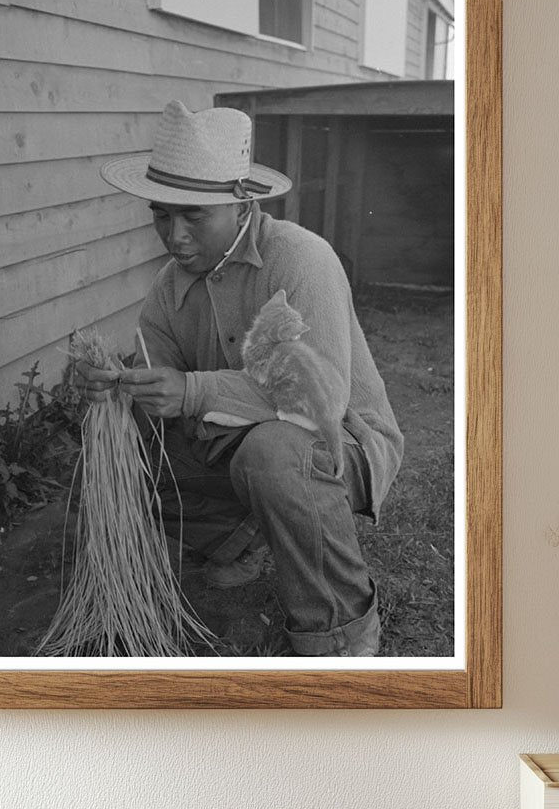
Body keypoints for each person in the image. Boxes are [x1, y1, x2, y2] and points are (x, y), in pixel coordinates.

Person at [75, 100, 403, 657]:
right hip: (229, 442)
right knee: (116, 430)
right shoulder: (167, 288)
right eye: (161, 214)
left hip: (335, 444)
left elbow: (318, 399)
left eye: (194, 217)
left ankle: (342, 628)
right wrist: (120, 385)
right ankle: (237, 541)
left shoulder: (302, 259)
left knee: (274, 453)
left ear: (243, 205)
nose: (174, 236)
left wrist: (193, 391)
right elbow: (164, 378)